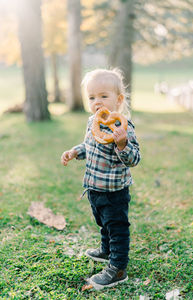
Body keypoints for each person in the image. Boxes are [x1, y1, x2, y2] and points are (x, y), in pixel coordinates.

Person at [61, 68, 141, 290]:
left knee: (117, 227)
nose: (97, 102)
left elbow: (134, 159)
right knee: (102, 223)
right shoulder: (92, 122)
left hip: (114, 191)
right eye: (92, 97)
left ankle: (118, 268)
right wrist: (75, 151)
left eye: (103, 96)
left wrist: (122, 144)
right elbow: (90, 145)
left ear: (119, 99)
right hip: (93, 187)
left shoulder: (122, 127)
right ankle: (106, 251)